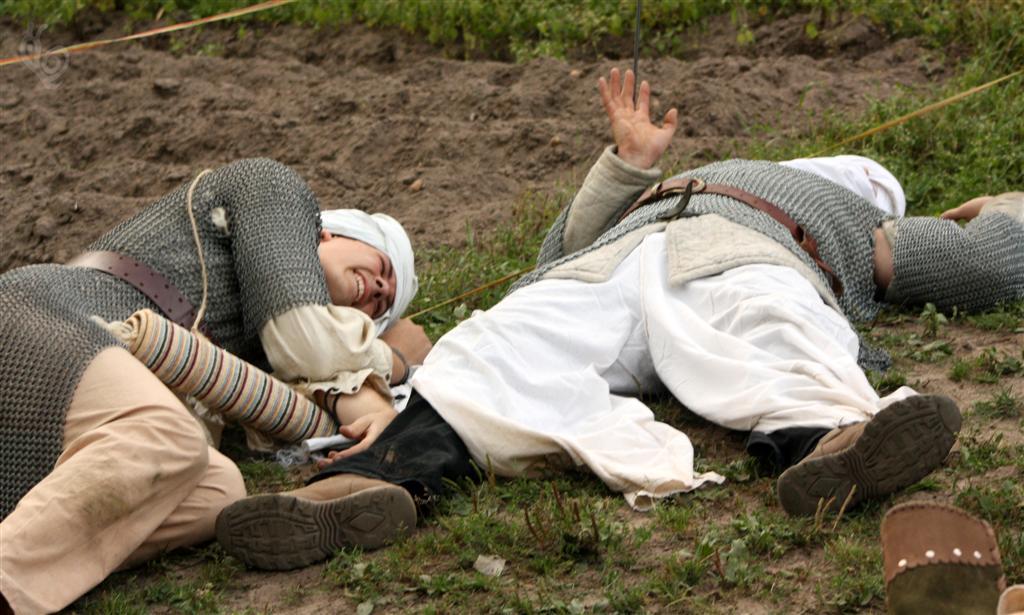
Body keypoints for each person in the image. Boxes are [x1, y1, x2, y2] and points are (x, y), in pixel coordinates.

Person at [215, 69, 1024, 571]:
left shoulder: (839, 214)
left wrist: (1004, 212)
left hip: (739, 253)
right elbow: (552, 258)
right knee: (503, 338)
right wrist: (627, 169)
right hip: (605, 268)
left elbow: (973, 263)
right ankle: (373, 478)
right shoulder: (788, 180)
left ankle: (835, 440)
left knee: (770, 319)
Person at [0, 158, 429, 613]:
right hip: (42, 316)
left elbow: (323, 379)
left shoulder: (272, 354)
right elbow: (309, 338)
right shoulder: (272, 189)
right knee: (169, 435)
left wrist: (374, 412)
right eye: (383, 267)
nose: (380, 288)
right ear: (332, 235)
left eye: (382, 307)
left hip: (71, 407)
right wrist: (394, 359)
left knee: (217, 488)